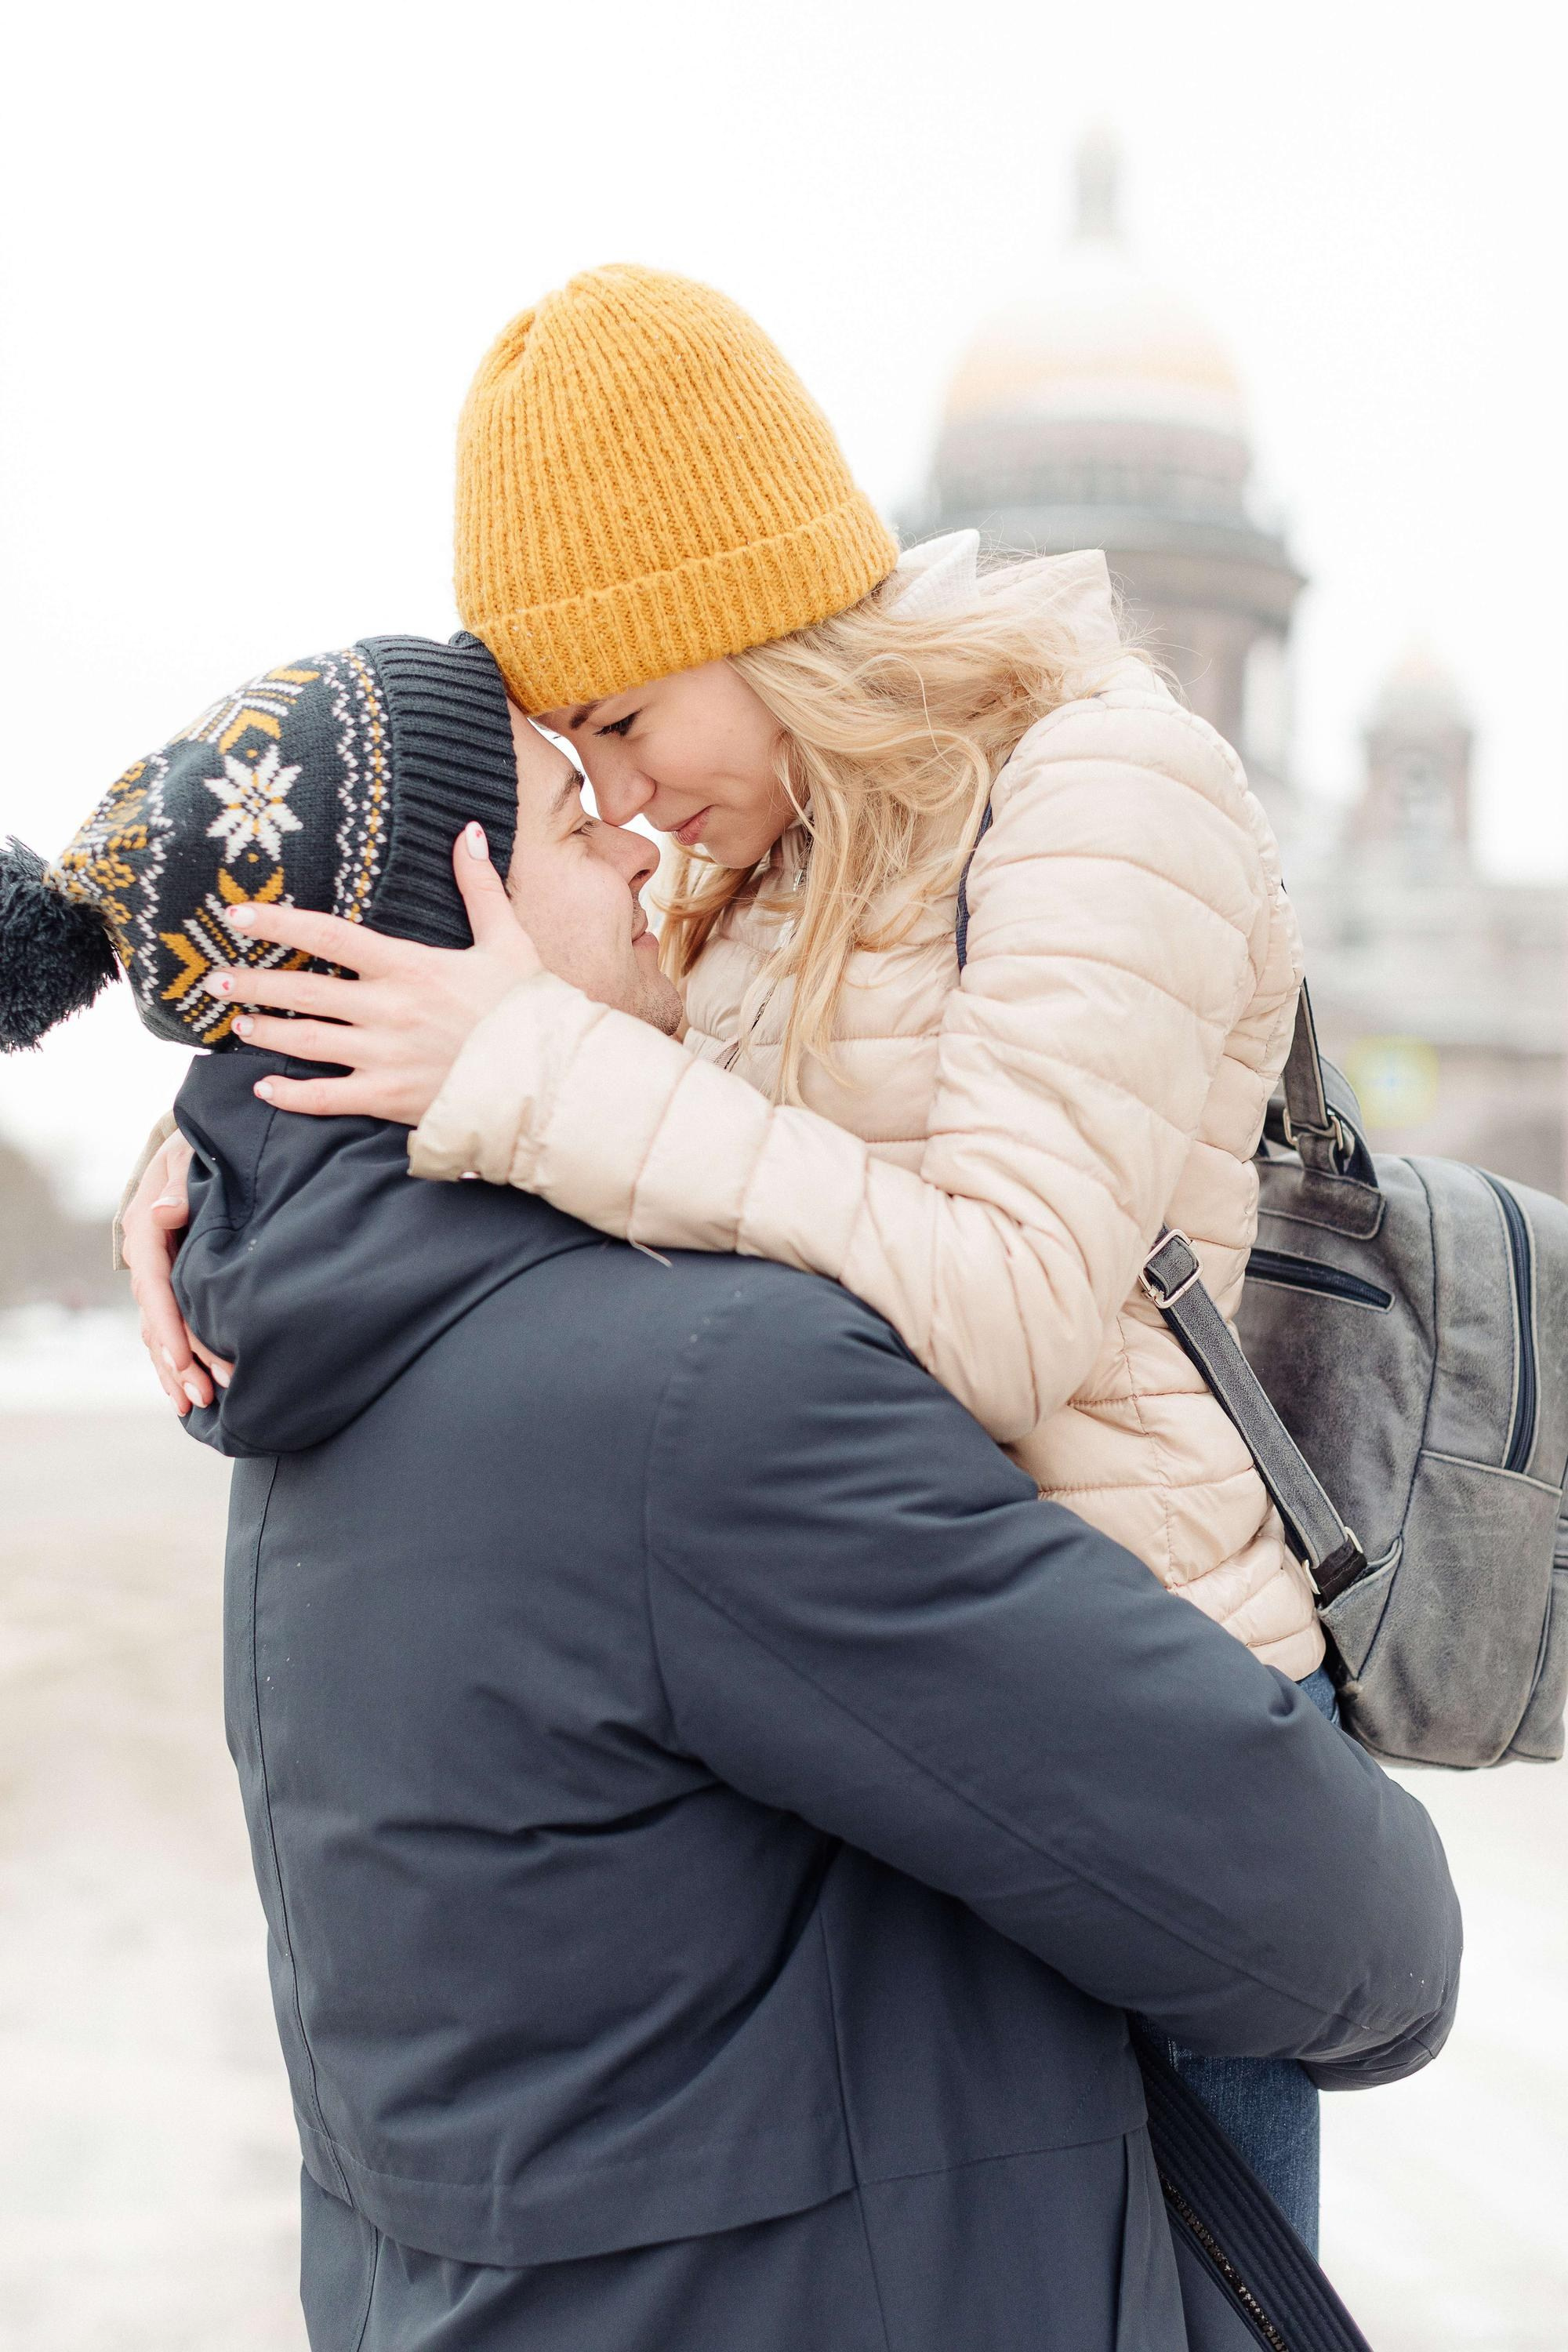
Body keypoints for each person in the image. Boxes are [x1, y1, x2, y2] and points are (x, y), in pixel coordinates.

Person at [1, 637, 1460, 2351]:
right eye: (566, 803)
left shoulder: (318, 1390)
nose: (640, 843)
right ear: (433, 923)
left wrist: (222, 1119)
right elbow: (1354, 1938)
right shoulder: (696, 1400)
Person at [125, 266, 1333, 2231]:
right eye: (572, 759)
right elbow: (554, 1058)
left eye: (621, 717)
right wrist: (215, 1134)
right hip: (925, 1744)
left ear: (757, 618)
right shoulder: (754, 846)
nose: (616, 798)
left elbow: (1008, 1314)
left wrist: (525, 1067)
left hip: (1151, 1782)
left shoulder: (1101, 789)